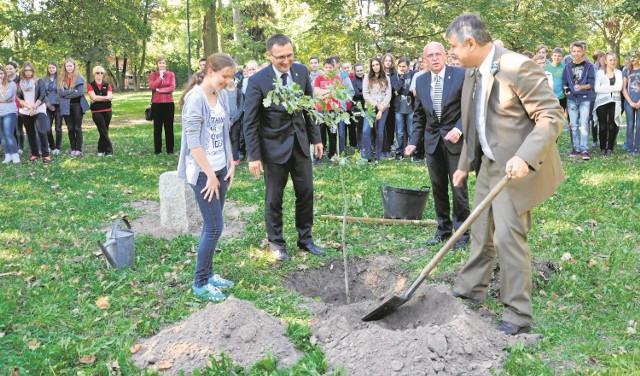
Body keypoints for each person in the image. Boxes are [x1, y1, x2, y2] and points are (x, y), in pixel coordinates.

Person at [447, 13, 565, 335]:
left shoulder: (518, 67)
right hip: (488, 163)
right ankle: (471, 287)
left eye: (454, 47)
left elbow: (552, 116)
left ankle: (517, 313)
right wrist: (463, 165)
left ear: (471, 42)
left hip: (515, 167)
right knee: (480, 227)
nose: (451, 54)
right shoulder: (473, 71)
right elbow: (473, 121)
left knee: (507, 237)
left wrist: (525, 158)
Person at [243, 34, 325, 261]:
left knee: (306, 192)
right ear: (269, 56)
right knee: (274, 198)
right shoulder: (258, 81)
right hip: (273, 148)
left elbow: (309, 108)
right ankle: (277, 243)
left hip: (299, 145)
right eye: (281, 57)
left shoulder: (301, 72)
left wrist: (316, 139)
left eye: (290, 55)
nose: (286, 61)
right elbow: (250, 121)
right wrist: (254, 156)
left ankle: (306, 239)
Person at [177, 53, 237, 301]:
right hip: (203, 172)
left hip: (221, 168)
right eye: (225, 76)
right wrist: (210, 175)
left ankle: (210, 274)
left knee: (212, 225)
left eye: (230, 77)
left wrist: (230, 162)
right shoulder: (195, 99)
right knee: (214, 227)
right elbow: (194, 143)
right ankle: (200, 282)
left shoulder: (221, 94)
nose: (228, 81)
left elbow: (224, 132)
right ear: (210, 71)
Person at [405, 42, 470, 250]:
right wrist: (413, 142)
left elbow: (470, 106)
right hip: (432, 143)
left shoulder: (461, 75)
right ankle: (443, 230)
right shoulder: (421, 81)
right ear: (424, 59)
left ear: (445, 55)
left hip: (455, 141)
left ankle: (462, 233)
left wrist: (459, 129)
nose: (434, 58)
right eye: (430, 56)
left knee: (458, 188)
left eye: (438, 54)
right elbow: (419, 115)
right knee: (438, 188)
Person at [563, 41, 596, 160]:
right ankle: (576, 149)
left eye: (578, 51)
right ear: (571, 52)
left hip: (585, 99)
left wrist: (581, 87)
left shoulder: (589, 66)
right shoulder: (567, 67)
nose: (576, 53)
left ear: (583, 51)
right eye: (574, 51)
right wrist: (566, 89)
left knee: (584, 125)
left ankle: (584, 149)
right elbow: (564, 83)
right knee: (574, 125)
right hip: (571, 100)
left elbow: (591, 83)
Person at [17, 63, 52, 163]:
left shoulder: (38, 81)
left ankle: (46, 154)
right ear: (23, 71)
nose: (28, 72)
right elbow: (19, 97)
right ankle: (35, 154)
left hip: (39, 109)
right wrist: (29, 107)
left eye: (30, 70)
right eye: (26, 70)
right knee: (30, 133)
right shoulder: (21, 83)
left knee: (42, 131)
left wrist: (34, 107)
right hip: (25, 111)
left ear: (33, 71)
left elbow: (42, 95)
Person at [58, 58, 90, 157]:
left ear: (74, 66)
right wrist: (72, 91)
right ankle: (73, 148)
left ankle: (78, 149)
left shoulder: (79, 78)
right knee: (70, 128)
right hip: (66, 106)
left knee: (77, 127)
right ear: (65, 67)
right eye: (67, 66)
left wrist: (66, 95)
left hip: (77, 105)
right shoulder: (62, 78)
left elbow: (80, 93)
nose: (69, 68)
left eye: (70, 66)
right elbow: (60, 92)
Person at [362, 57, 392, 162]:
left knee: (380, 131)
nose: (375, 67)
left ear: (380, 65)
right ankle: (368, 156)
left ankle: (378, 155)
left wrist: (381, 109)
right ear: (371, 66)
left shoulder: (386, 78)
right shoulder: (367, 77)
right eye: (373, 65)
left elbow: (389, 94)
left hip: (384, 108)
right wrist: (376, 105)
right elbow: (365, 93)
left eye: (377, 64)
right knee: (366, 131)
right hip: (370, 107)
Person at [593, 52, 622, 156]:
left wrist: (604, 88)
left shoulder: (618, 72)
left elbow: (619, 87)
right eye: (610, 60)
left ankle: (610, 148)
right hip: (602, 102)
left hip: (614, 101)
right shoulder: (599, 73)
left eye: (614, 60)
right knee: (603, 126)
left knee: (612, 125)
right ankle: (602, 148)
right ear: (605, 61)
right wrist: (611, 89)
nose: (612, 62)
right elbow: (597, 89)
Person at [314, 58, 342, 160]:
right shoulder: (319, 78)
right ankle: (319, 156)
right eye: (326, 67)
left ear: (333, 68)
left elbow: (337, 93)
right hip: (321, 109)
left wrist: (324, 92)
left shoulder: (337, 78)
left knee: (332, 133)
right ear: (323, 67)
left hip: (333, 110)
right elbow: (316, 91)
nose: (328, 69)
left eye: (330, 67)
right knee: (320, 133)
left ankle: (332, 155)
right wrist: (329, 91)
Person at [149, 56, 176, 154]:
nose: (162, 65)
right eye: (160, 63)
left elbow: (172, 87)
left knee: (169, 127)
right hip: (157, 104)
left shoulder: (171, 74)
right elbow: (152, 86)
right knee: (157, 128)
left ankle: (170, 150)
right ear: (157, 64)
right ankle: (157, 150)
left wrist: (159, 90)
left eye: (163, 63)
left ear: (166, 64)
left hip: (169, 103)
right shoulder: (153, 74)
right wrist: (160, 78)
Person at [390, 57, 414, 159]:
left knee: (411, 131)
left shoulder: (413, 75)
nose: (402, 68)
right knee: (399, 132)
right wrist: (402, 77)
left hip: (411, 107)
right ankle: (399, 152)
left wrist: (401, 92)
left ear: (408, 66)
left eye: (404, 66)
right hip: (398, 108)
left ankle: (412, 152)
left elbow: (413, 91)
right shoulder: (394, 76)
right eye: (400, 66)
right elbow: (397, 88)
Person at [87, 65, 113, 156]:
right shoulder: (90, 85)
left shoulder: (107, 85)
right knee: (103, 129)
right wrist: (105, 98)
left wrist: (98, 98)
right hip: (96, 111)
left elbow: (110, 97)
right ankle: (109, 150)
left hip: (108, 110)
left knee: (104, 130)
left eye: (101, 73)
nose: (99, 75)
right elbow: (93, 97)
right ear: (94, 74)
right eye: (97, 73)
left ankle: (100, 150)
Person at [0, 65, 20, 164]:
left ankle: (15, 155)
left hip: (9, 112)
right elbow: (4, 98)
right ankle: (7, 155)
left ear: (4, 74)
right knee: (2, 136)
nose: (0, 75)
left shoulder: (11, 84)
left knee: (9, 135)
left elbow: (7, 97)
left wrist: (3, 98)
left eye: (1, 73)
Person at [42, 62, 63, 155]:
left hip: (59, 105)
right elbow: (42, 92)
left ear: (56, 68)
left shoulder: (61, 78)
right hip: (47, 105)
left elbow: (63, 91)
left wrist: (56, 102)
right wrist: (47, 103)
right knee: (47, 128)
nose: (51, 69)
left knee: (58, 128)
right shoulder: (43, 79)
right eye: (49, 68)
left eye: (53, 67)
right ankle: (52, 145)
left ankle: (58, 147)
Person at [622, 49, 640, 155]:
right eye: (631, 56)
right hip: (629, 102)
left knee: (639, 125)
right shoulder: (626, 70)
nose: (633, 59)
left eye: (635, 56)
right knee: (630, 124)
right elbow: (624, 88)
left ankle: (637, 146)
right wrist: (630, 102)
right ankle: (629, 146)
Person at [224, 76, 244, 165]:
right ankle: (226, 158)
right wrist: (226, 119)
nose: (230, 80)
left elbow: (240, 107)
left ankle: (235, 158)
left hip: (235, 121)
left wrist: (233, 120)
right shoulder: (222, 91)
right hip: (224, 120)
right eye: (228, 78)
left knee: (235, 139)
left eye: (231, 78)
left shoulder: (238, 92)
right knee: (225, 139)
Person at [351, 63, 366, 150]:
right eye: (358, 71)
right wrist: (367, 94)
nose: (360, 72)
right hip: (357, 107)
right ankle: (361, 147)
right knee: (359, 128)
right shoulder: (353, 81)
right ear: (354, 72)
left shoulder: (368, 79)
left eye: (361, 70)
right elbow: (356, 94)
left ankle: (368, 146)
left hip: (368, 106)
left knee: (368, 128)